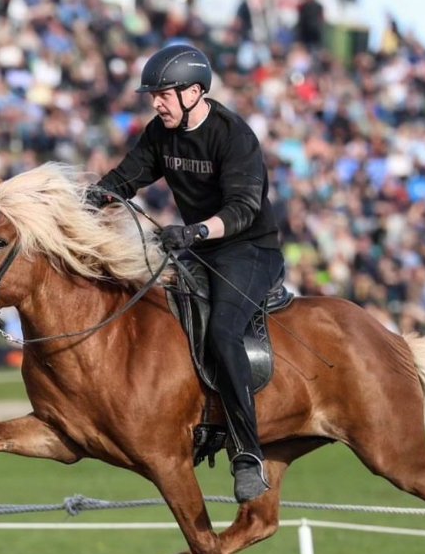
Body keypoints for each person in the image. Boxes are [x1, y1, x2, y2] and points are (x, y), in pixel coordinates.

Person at [89, 41, 283, 503]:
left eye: (164, 93)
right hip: (197, 247)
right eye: (153, 95)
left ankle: (246, 453)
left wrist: (194, 232)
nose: (156, 102)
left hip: (247, 249)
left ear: (195, 92)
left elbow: (242, 209)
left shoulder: (234, 135)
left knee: (221, 331)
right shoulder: (161, 132)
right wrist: (87, 199)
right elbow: (124, 180)